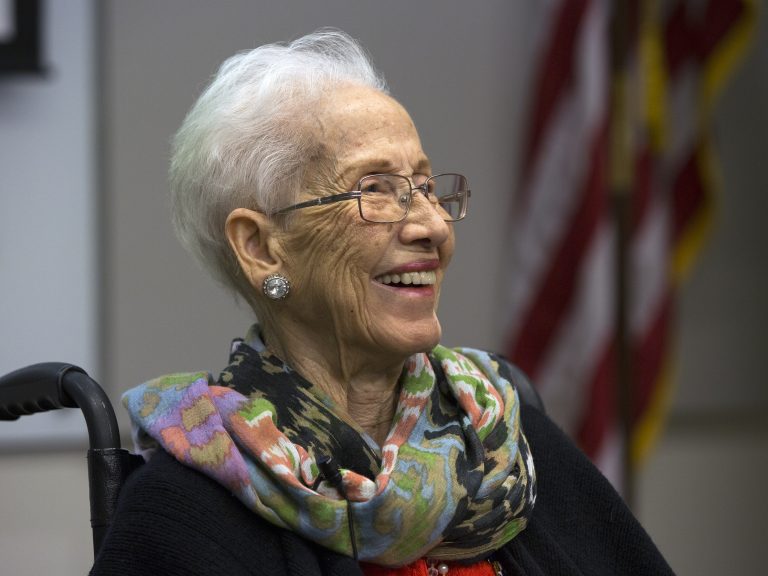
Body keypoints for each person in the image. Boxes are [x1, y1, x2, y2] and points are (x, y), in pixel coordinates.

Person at [90, 29, 673, 576]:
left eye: (425, 187)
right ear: (262, 247)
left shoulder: (502, 432)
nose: (433, 225)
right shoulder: (184, 513)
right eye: (375, 191)